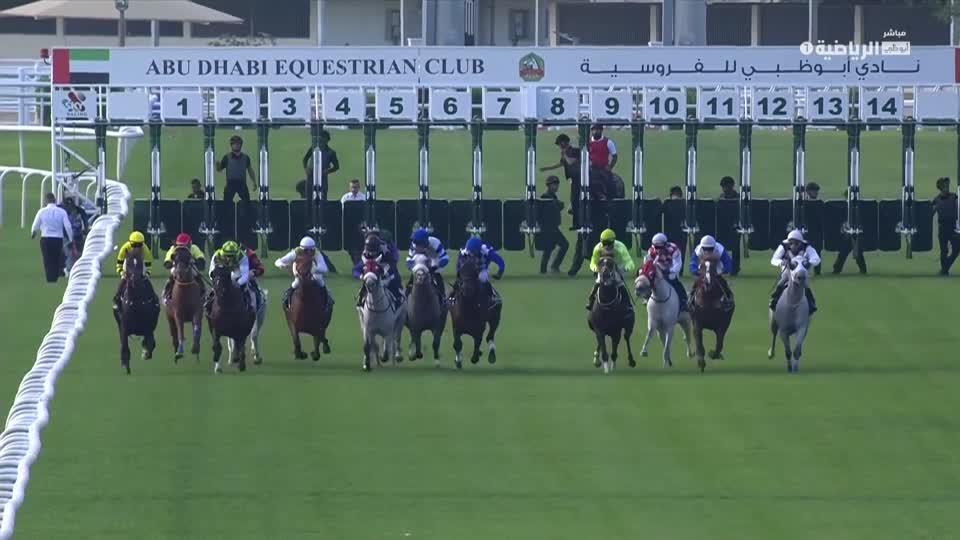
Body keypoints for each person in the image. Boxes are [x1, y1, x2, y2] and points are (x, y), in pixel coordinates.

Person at [769, 229, 819, 315]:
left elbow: (816, 258)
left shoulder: (807, 246)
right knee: (782, 281)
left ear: (800, 243)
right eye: (791, 243)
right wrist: (781, 262)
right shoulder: (783, 246)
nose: (793, 246)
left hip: (801, 270)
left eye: (796, 243)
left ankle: (811, 303)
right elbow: (774, 259)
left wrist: (809, 262)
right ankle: (774, 300)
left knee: (806, 285)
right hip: (789, 269)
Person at [276, 236, 332, 311]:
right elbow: (278, 261)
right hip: (300, 275)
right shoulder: (295, 253)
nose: (309, 252)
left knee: (320, 281)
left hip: (313, 274)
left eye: (311, 250)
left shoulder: (316, 253)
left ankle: (327, 302)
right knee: (295, 283)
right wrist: (282, 264)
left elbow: (324, 268)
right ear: (302, 249)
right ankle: (287, 301)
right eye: (306, 250)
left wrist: (313, 269)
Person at [586, 228, 635, 311]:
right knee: (598, 281)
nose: (607, 246)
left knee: (619, 282)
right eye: (605, 243)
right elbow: (592, 263)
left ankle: (628, 304)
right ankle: (591, 301)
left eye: (609, 244)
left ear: (613, 241)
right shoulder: (597, 248)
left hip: (617, 268)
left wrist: (625, 268)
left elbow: (630, 262)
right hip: (602, 268)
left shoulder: (620, 246)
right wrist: (595, 268)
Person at [206, 240, 260, 313]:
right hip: (222, 274)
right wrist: (216, 281)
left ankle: (250, 306)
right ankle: (208, 305)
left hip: (236, 273)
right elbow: (211, 272)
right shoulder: (217, 256)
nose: (229, 258)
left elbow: (244, 276)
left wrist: (236, 284)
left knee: (245, 288)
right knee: (215, 289)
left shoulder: (242, 256)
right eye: (227, 255)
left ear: (237, 253)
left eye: (231, 256)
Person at [31, 192, 73, 283]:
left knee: (47, 259)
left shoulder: (41, 211)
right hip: (58, 239)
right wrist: (71, 238)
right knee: (56, 259)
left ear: (46, 201)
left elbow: (36, 224)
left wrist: (33, 233)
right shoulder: (61, 211)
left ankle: (49, 279)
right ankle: (54, 278)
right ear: (55, 200)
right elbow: (68, 226)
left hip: (45, 238)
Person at [354, 232, 403, 308]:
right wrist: (361, 276)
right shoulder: (365, 254)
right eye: (370, 251)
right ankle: (361, 300)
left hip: (386, 275)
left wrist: (385, 273)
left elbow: (392, 267)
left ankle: (398, 298)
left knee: (393, 281)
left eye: (373, 251)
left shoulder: (386, 253)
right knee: (366, 283)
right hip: (372, 277)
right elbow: (356, 270)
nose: (371, 254)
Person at [539, 133, 581, 223]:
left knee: (575, 200)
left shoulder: (574, 151)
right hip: (574, 179)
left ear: (563, 143)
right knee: (574, 200)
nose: (559, 147)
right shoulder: (566, 153)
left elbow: (571, 162)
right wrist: (547, 168)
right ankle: (576, 220)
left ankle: (577, 222)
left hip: (579, 179)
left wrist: (564, 154)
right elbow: (561, 163)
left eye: (560, 145)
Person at [642, 232, 688, 311]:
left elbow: (677, 265)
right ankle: (646, 296)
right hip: (658, 270)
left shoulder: (674, 250)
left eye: (660, 247)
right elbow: (647, 263)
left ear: (665, 245)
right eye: (656, 247)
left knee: (675, 282)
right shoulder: (651, 251)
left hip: (671, 270)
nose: (658, 250)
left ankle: (683, 300)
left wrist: (668, 270)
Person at [688, 235, 734, 309]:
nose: (707, 251)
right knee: (696, 283)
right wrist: (695, 271)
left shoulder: (720, 249)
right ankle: (690, 299)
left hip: (717, 270)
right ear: (702, 247)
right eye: (705, 249)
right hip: (703, 270)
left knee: (723, 283)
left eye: (710, 249)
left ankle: (728, 298)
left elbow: (728, 262)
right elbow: (693, 262)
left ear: (714, 247)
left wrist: (724, 271)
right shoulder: (698, 250)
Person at [406, 228, 449, 304]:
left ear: (424, 242)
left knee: (438, 279)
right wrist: (412, 267)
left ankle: (443, 300)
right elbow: (409, 259)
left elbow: (445, 258)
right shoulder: (413, 245)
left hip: (433, 264)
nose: (416, 245)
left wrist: (436, 266)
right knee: (410, 283)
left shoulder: (435, 243)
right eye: (415, 243)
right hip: (418, 266)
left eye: (418, 243)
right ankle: (406, 300)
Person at [454, 237, 505, 302]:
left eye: (473, 252)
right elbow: (458, 265)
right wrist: (458, 275)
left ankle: (492, 295)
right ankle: (451, 298)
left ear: (478, 250)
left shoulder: (487, 250)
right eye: (470, 252)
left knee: (483, 278)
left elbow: (500, 261)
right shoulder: (463, 251)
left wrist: (500, 272)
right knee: (459, 282)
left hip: (482, 269)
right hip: (468, 268)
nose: (471, 254)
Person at [113, 231, 153, 310]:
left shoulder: (145, 249)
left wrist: (147, 274)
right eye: (134, 245)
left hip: (140, 265)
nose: (137, 248)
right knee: (123, 280)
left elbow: (149, 265)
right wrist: (121, 272)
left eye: (139, 245)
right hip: (127, 265)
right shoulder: (124, 248)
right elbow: (119, 263)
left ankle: (153, 299)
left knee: (146, 281)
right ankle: (117, 299)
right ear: (130, 243)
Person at [161, 233, 206, 304]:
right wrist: (170, 263)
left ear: (190, 244)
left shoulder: (194, 248)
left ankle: (203, 294)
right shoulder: (173, 249)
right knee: (172, 276)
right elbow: (167, 261)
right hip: (177, 267)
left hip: (190, 267)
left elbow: (201, 258)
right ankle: (167, 294)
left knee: (196, 275)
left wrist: (197, 261)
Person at [831, 190, 867, 275]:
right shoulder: (847, 206)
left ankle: (862, 269)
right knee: (845, 252)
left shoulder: (856, 206)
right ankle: (837, 269)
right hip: (848, 233)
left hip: (855, 232)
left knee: (855, 252)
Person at [539, 175, 569, 273]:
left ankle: (545, 270)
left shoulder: (552, 196)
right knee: (563, 245)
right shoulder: (545, 196)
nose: (556, 186)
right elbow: (557, 205)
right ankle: (553, 267)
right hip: (549, 228)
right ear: (548, 185)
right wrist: (558, 204)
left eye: (557, 184)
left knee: (548, 249)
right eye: (554, 184)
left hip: (551, 227)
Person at [216, 135, 256, 204]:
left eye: (238, 144)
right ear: (231, 145)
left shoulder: (246, 157)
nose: (236, 145)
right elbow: (219, 170)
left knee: (247, 203)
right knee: (226, 203)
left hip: (242, 183)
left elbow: (250, 170)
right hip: (230, 183)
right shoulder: (227, 157)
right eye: (234, 144)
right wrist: (217, 165)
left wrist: (254, 182)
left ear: (241, 145)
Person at [301, 129, 340, 202]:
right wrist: (306, 168)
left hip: (323, 177)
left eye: (324, 138)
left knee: (323, 198)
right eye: (321, 138)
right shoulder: (313, 148)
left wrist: (327, 171)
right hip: (311, 176)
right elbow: (305, 159)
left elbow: (336, 166)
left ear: (327, 140)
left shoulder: (331, 152)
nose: (322, 140)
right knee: (309, 197)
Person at [933, 176, 959, 275]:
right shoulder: (936, 200)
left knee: (957, 248)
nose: (947, 187)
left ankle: (945, 268)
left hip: (953, 228)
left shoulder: (954, 196)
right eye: (944, 186)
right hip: (943, 228)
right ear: (940, 187)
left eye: (947, 185)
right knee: (944, 250)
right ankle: (944, 270)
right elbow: (931, 213)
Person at [717, 176, 741, 276]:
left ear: (731, 186)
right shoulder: (721, 197)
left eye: (726, 187)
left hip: (735, 225)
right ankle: (723, 267)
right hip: (723, 225)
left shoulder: (738, 198)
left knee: (735, 247)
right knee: (721, 247)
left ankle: (735, 268)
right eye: (723, 187)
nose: (724, 189)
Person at [588, 123, 618, 196]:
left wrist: (610, 166)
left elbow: (615, 156)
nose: (595, 132)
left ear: (601, 131)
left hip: (603, 169)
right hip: (592, 169)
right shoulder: (587, 142)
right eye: (594, 130)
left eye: (597, 130)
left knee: (610, 184)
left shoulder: (608, 142)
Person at [60, 196, 88, 275]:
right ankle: (69, 270)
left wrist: (86, 230)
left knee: (79, 254)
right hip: (66, 237)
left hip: (78, 236)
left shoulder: (80, 211)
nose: (70, 208)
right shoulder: (62, 212)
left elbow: (85, 221)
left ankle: (78, 270)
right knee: (69, 253)